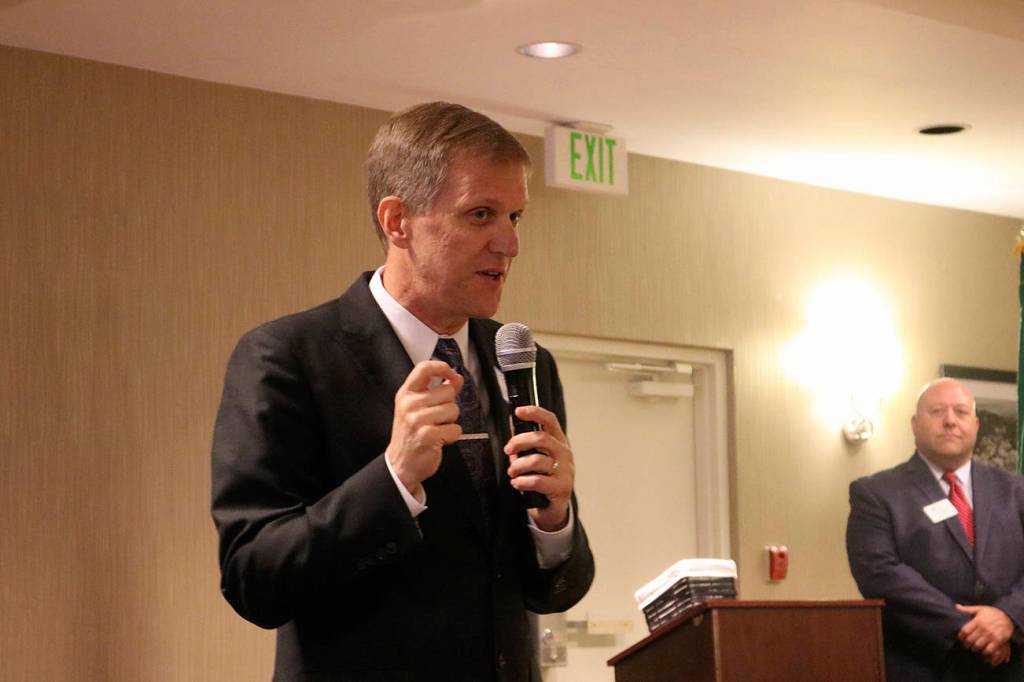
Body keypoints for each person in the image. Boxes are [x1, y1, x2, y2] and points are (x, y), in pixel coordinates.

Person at [211, 102, 594, 682]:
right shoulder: (286, 357)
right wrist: (393, 479)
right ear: (397, 221)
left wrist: (555, 519)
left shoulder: (523, 361)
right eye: (481, 214)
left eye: (515, 216)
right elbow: (254, 580)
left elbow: (552, 591)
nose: (509, 244)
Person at [846, 378, 1024, 681]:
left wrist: (1009, 617)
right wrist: (974, 631)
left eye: (961, 412)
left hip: (1010, 668)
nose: (950, 421)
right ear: (915, 425)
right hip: (922, 665)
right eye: (937, 411)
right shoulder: (876, 493)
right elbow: (879, 573)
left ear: (976, 425)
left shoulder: (1015, 490)